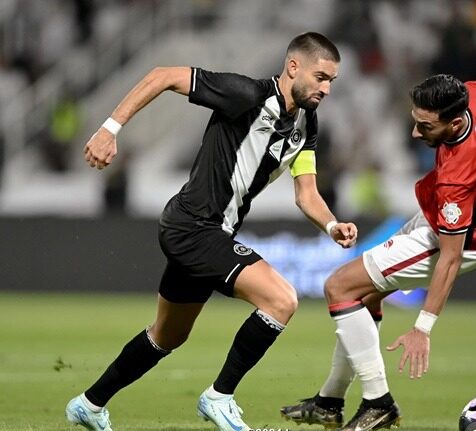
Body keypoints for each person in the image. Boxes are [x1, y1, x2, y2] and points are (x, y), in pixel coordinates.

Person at [65, 32, 358, 431]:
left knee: (167, 336)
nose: (326, 89)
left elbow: (306, 193)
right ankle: (219, 397)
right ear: (293, 67)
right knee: (281, 300)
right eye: (321, 77)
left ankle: (89, 403)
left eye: (331, 81)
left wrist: (331, 224)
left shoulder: (307, 124)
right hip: (194, 226)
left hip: (211, 233)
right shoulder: (245, 94)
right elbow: (163, 75)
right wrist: (109, 129)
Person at [280, 74, 476, 431]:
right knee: (364, 295)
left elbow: (451, 256)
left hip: (461, 239)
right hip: (447, 219)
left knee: (339, 286)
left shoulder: (459, 173)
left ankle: (378, 402)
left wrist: (423, 327)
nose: (416, 133)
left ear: (456, 123)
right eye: (415, 120)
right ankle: (329, 401)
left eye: (426, 126)